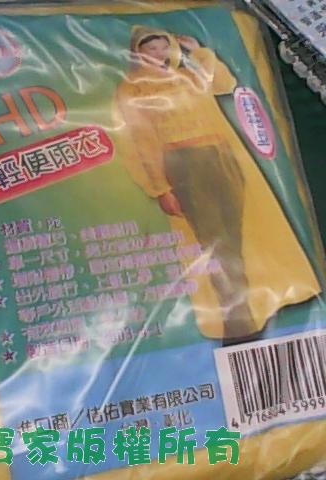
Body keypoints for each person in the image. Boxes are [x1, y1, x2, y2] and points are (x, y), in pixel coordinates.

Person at [116, 26, 321, 342]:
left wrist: (198, 50)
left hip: (220, 156)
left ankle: (247, 313)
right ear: (137, 53)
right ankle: (238, 327)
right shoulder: (132, 90)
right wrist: (160, 188)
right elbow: (139, 143)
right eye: (150, 48)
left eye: (163, 46)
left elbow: (225, 83)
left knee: (235, 240)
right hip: (184, 164)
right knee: (216, 244)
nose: (158, 54)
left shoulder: (186, 75)